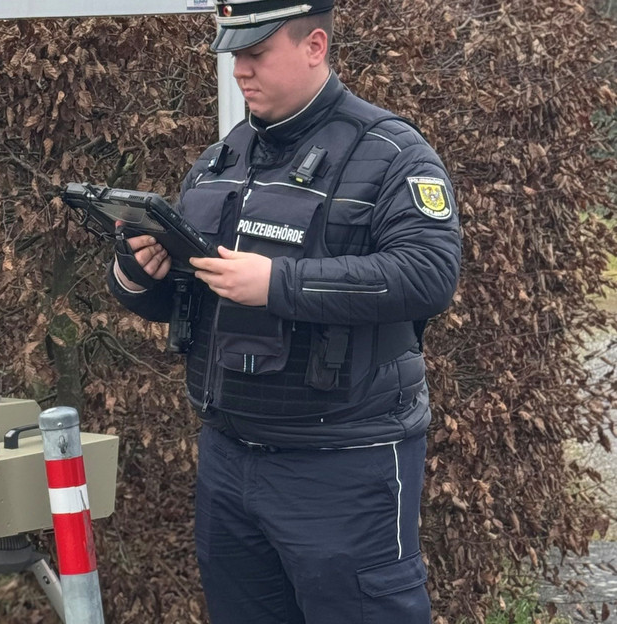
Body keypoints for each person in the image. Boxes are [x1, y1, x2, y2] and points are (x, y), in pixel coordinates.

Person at [105, 1, 462, 622]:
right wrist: (136, 273)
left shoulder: (391, 152)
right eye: (235, 54)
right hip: (230, 456)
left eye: (255, 53)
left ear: (315, 46)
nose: (239, 70)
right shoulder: (225, 159)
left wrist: (279, 283)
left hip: (343, 463)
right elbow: (189, 301)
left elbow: (428, 275)